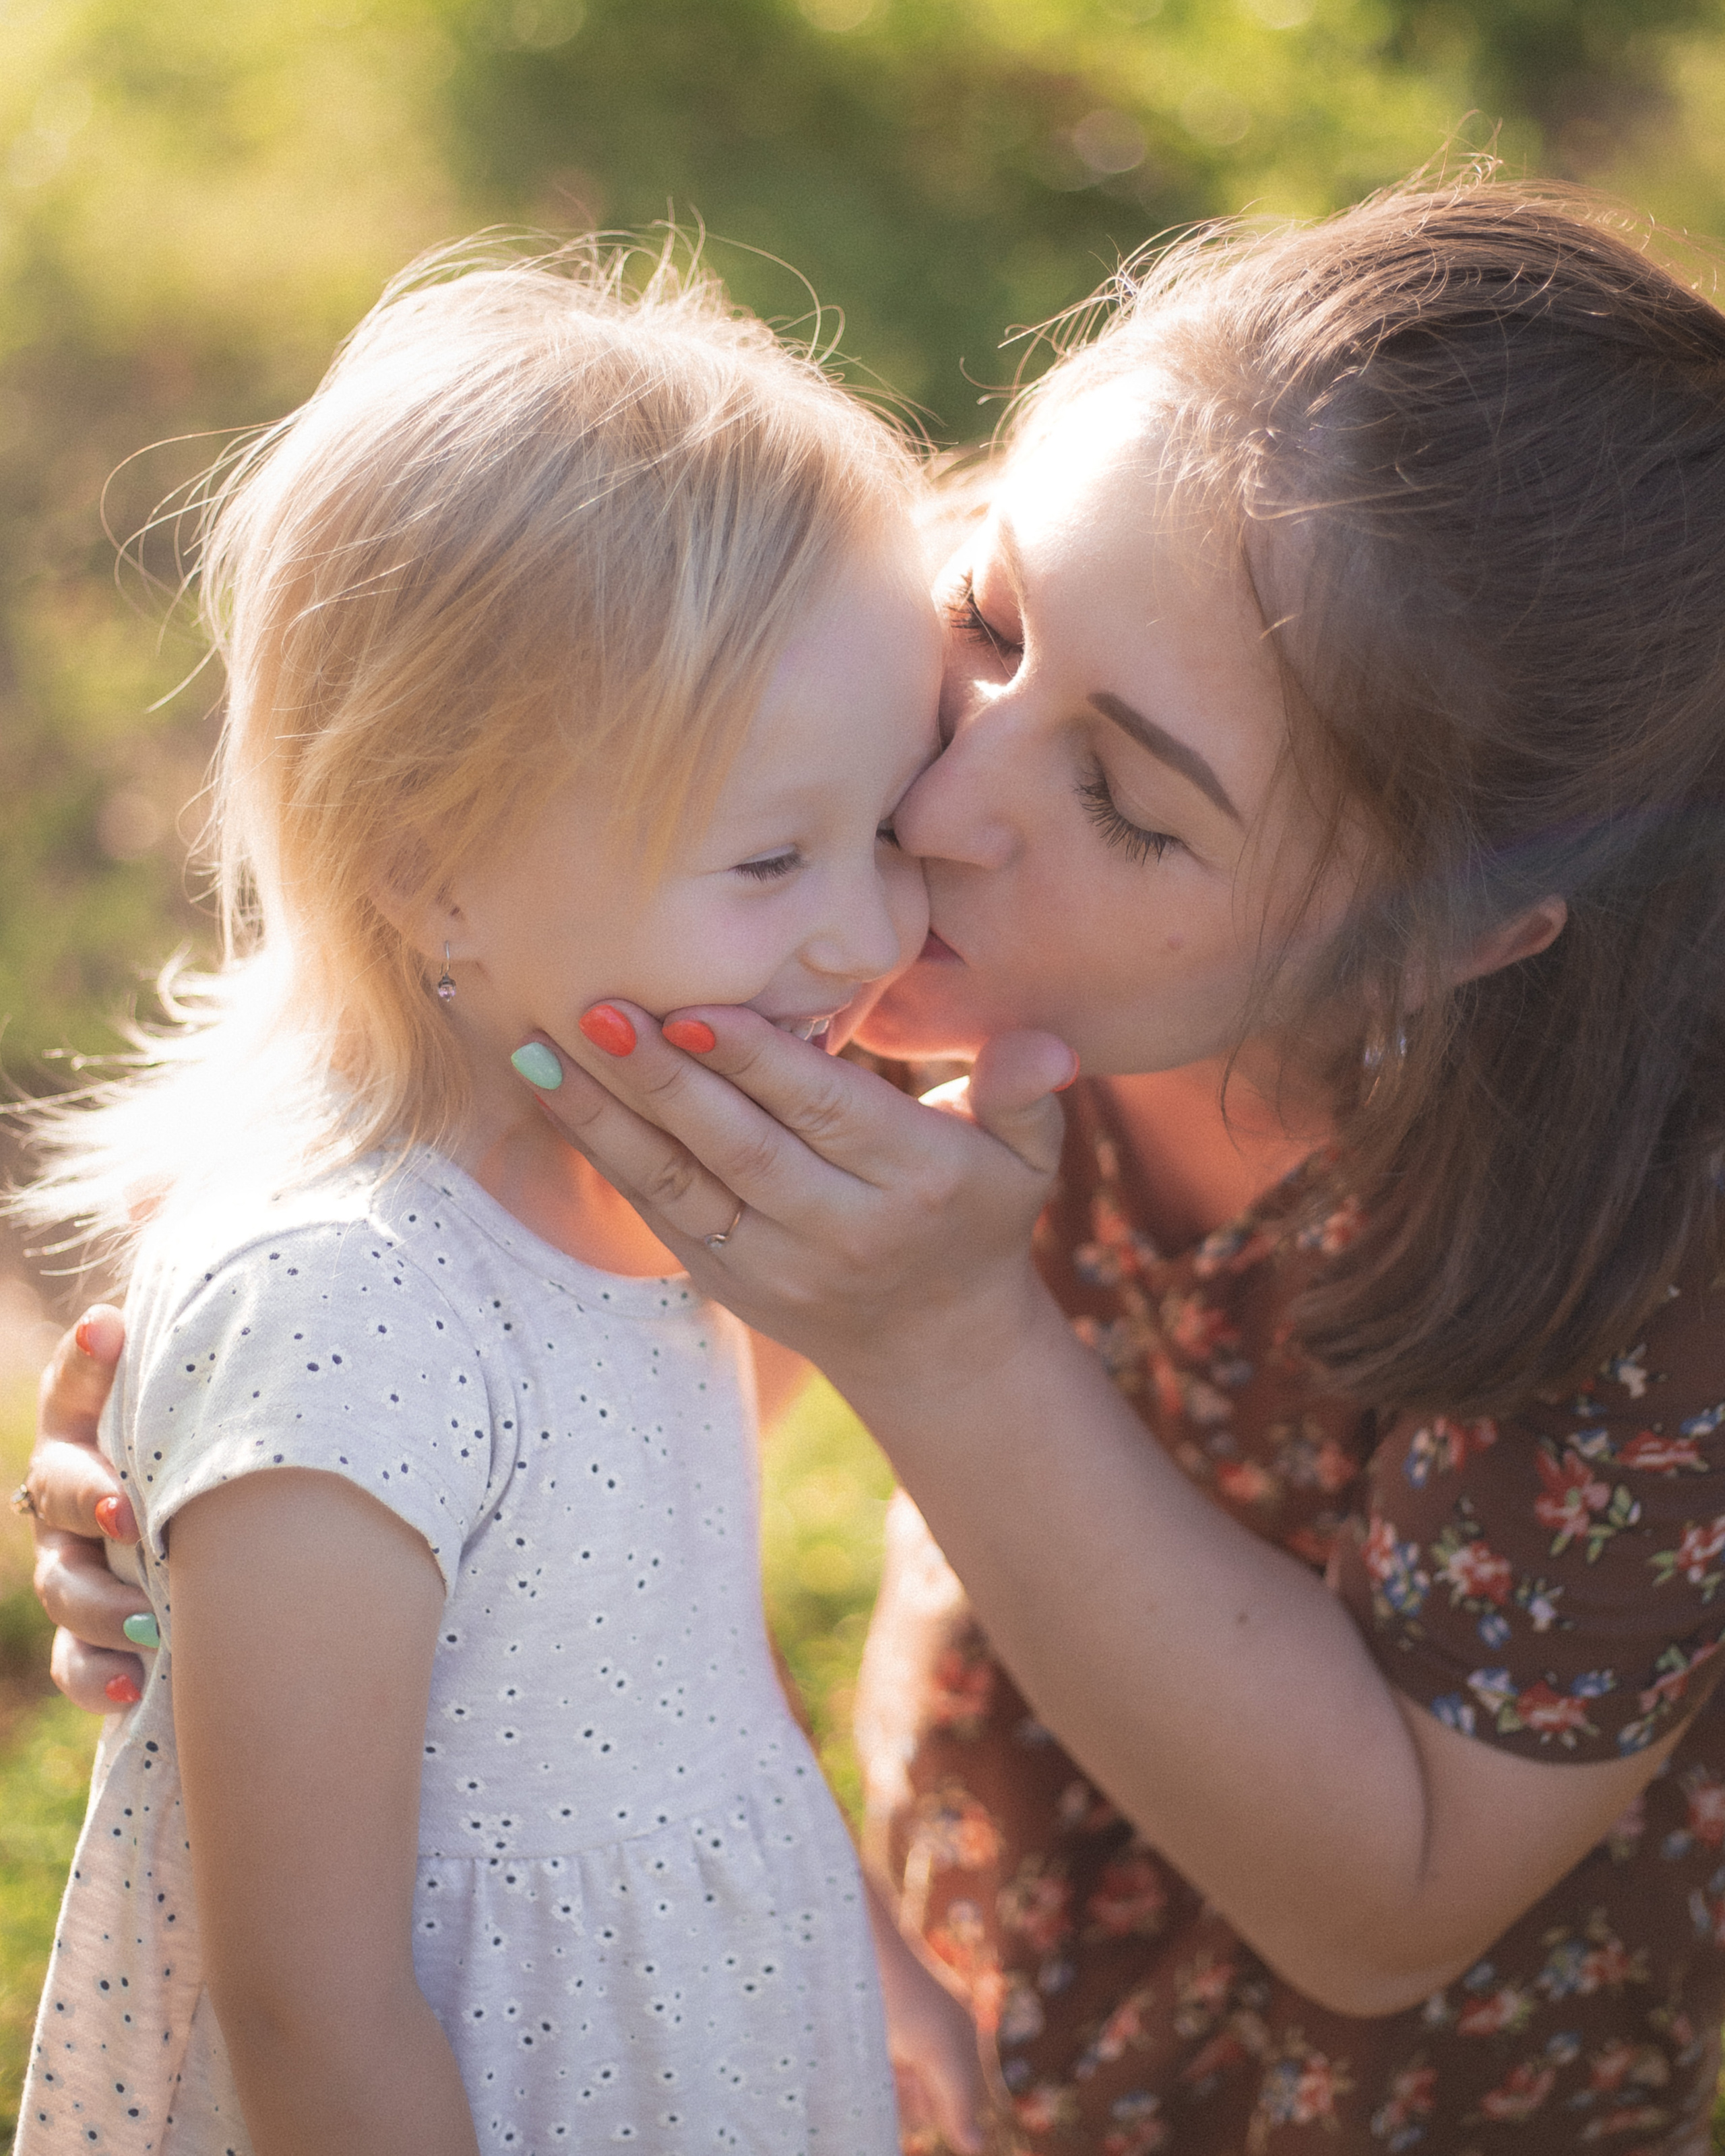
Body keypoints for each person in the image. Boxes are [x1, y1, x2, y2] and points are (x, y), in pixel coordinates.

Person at [26, 175, 1725, 2153]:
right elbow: (559, 1382)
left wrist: (952, 1343)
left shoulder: (1659, 1230)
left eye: (1123, 799)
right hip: (899, 1971)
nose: (946, 792)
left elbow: (1393, 1910)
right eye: (993, 616)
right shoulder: (833, 883)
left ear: (1446, 932)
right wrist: (284, 1547)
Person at [6, 240, 985, 2155]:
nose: (871, 932)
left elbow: (659, 1668)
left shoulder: (659, 1181)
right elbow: (309, 1994)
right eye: (776, 857)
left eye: (889, 823)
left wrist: (848, 1941)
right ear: (434, 867)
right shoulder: (349, 1305)